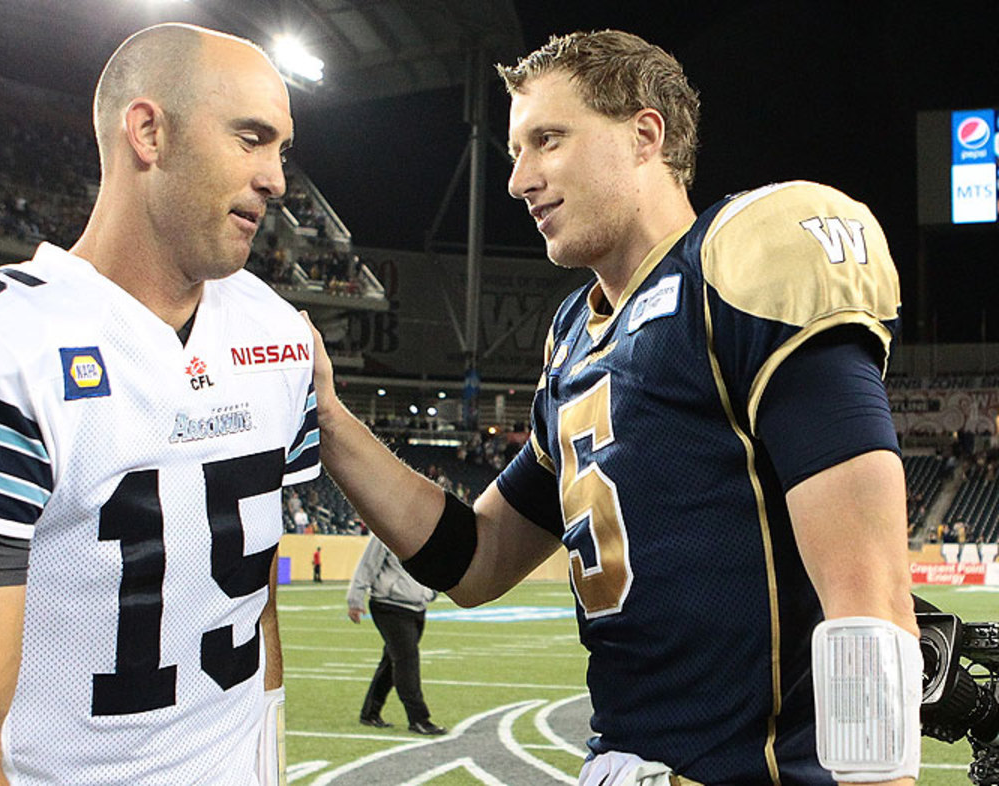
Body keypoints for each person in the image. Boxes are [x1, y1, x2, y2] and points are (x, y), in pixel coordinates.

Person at [306, 29, 918, 786]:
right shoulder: (575, 336)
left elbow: (872, 600)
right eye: (515, 152)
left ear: (644, 136)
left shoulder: (742, 266)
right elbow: (477, 560)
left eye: (548, 140)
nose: (518, 179)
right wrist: (331, 421)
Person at [0, 23, 317, 786]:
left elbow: (254, 594)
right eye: (251, 139)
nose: (277, 178)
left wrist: (268, 755)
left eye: (280, 149)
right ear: (148, 132)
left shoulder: (278, 335)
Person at [346, 534, 445, 736]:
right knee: (407, 660)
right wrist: (355, 599)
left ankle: (370, 712)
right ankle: (418, 718)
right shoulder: (386, 529)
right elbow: (368, 564)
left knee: (392, 659)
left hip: (416, 607)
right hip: (388, 605)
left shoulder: (430, 529)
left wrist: (431, 592)